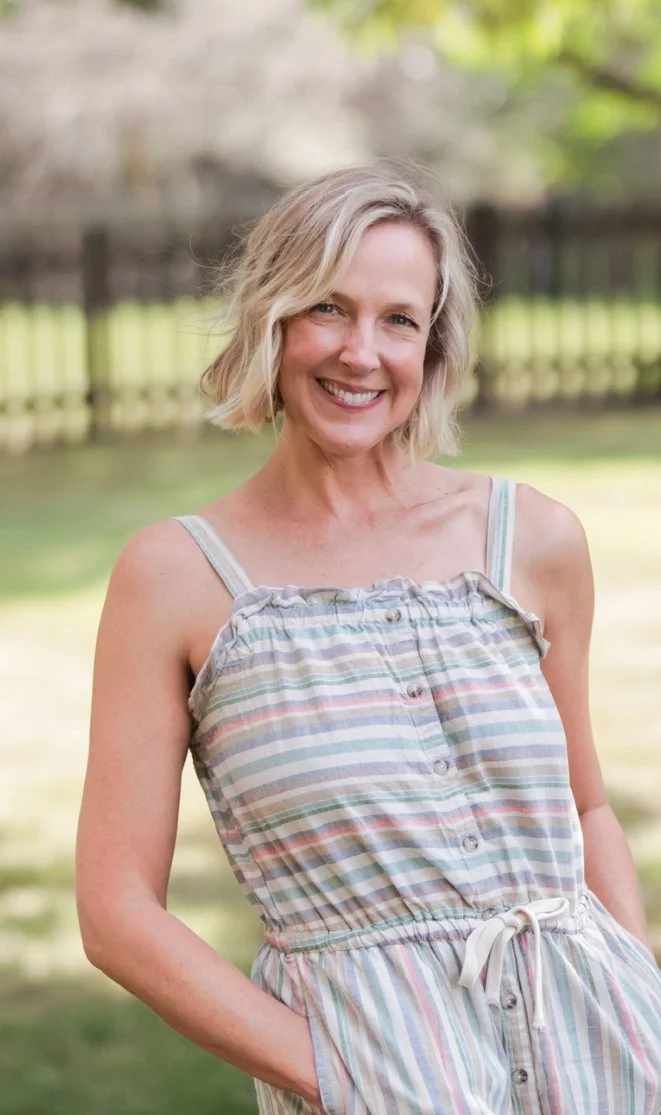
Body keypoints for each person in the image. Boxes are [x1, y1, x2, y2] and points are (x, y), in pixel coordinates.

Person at [76, 164, 661, 1115]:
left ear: (432, 344)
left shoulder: (532, 539)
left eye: (399, 319)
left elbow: (587, 811)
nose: (361, 352)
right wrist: (339, 1075)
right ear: (271, 318)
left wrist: (636, 992)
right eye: (328, 309)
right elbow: (116, 914)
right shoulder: (176, 577)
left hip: (610, 1065)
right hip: (379, 1081)